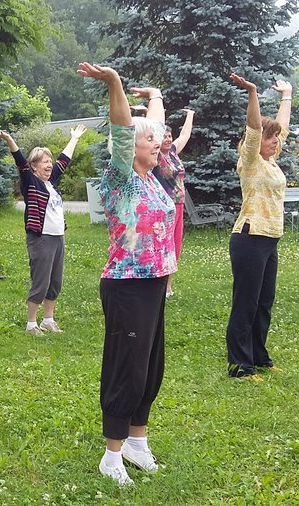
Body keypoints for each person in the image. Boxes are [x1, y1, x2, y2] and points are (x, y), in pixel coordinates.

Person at [77, 62, 176, 486]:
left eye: (158, 138)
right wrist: (115, 83)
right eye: (150, 139)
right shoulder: (121, 177)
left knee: (151, 366)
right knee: (127, 366)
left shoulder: (151, 177)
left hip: (153, 283)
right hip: (126, 284)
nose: (159, 142)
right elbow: (123, 127)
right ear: (129, 147)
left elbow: (151, 122)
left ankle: (137, 440)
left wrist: (154, 96)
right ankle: (111, 454)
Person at [224, 73, 292, 379]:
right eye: (270, 137)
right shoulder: (250, 159)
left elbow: (282, 127)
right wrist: (252, 93)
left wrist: (286, 95)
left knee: (264, 301)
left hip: (270, 240)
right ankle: (240, 363)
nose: (275, 141)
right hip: (249, 238)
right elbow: (254, 129)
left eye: (276, 138)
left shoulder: (272, 161)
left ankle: (259, 355)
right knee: (246, 302)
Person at [0, 124, 87, 335]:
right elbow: (19, 160)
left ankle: (48, 320)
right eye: (44, 161)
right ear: (34, 166)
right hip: (40, 238)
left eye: (49, 161)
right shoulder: (30, 181)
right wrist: (8, 139)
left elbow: (64, 160)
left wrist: (74, 138)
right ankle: (31, 324)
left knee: (55, 281)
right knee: (41, 281)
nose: (49, 165)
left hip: (58, 237)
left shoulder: (51, 182)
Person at [151, 108, 195, 298]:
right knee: (163, 245)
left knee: (175, 246)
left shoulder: (174, 153)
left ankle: (168, 286)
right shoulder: (156, 156)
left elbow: (185, 134)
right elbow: (150, 132)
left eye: (169, 136)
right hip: (163, 207)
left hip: (178, 206)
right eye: (165, 137)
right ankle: (158, 284)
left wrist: (190, 114)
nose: (168, 140)